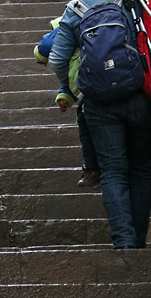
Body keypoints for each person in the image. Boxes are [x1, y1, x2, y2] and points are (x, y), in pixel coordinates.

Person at [49, 0, 151, 249]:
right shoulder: (141, 0)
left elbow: (57, 59)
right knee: (140, 170)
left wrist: (69, 88)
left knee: (113, 172)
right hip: (142, 96)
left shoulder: (77, 8)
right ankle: (138, 242)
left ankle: (124, 244)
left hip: (99, 103)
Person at [34, 19, 100, 188]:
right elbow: (71, 69)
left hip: (91, 85)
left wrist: (39, 54)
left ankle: (92, 168)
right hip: (109, 77)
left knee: (86, 123)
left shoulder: (68, 22)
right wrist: (65, 94)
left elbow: (46, 46)